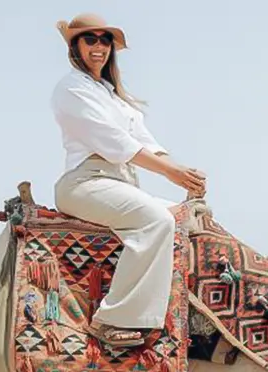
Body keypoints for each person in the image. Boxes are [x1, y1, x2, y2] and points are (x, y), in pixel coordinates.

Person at [50, 13, 207, 347]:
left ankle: (187, 313)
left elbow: (146, 141)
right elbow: (116, 143)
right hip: (85, 183)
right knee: (157, 222)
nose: (99, 46)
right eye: (89, 39)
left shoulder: (113, 96)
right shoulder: (71, 89)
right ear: (75, 45)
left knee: (190, 218)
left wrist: (186, 176)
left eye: (105, 40)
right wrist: (172, 173)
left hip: (120, 184)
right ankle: (112, 320)